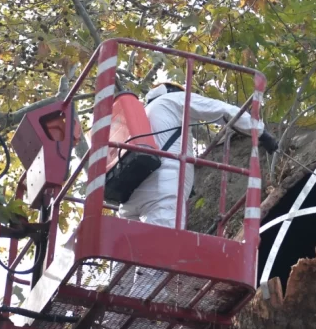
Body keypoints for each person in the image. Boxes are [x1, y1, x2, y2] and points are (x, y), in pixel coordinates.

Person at [116, 81, 278, 227]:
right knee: (162, 251)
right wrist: (261, 132)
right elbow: (221, 110)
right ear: (174, 90)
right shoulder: (173, 99)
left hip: (130, 196)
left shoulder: (142, 115)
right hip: (163, 189)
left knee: (127, 253)